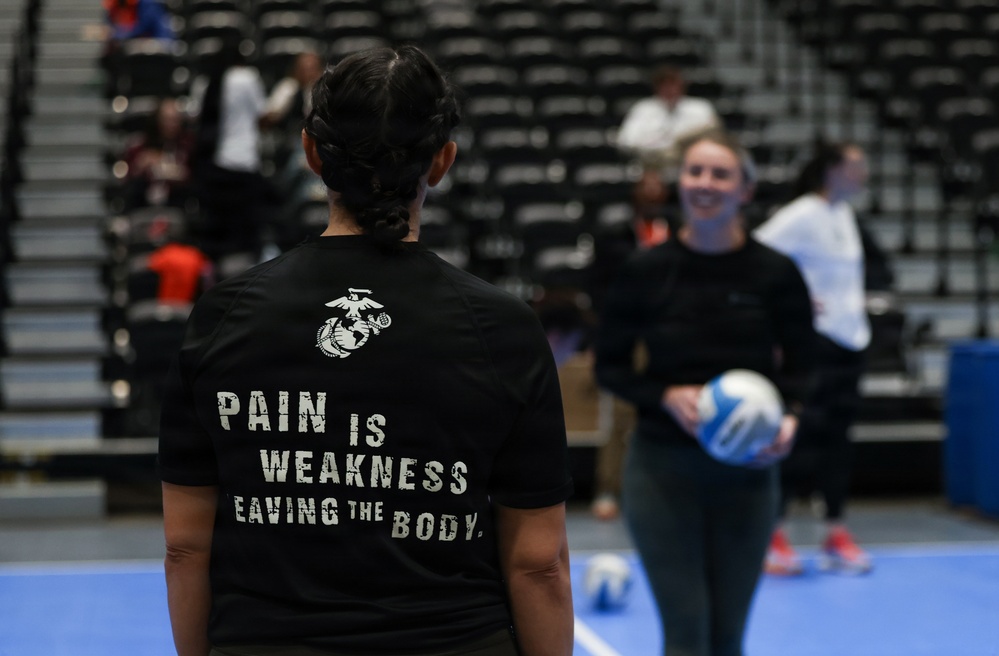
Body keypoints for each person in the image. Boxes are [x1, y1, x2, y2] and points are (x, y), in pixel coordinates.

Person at [158, 45, 575, 656]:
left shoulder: (224, 316)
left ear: (312, 153)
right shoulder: (503, 329)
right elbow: (539, 565)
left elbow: (185, 548)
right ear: (442, 161)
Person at [594, 129, 815, 656]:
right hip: (663, 472)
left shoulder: (776, 273)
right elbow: (610, 368)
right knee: (688, 633)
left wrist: (790, 417)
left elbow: (805, 367)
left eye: (720, 174)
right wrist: (665, 395)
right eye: (695, 171)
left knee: (727, 639)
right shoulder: (647, 270)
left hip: (748, 475)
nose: (705, 183)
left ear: (745, 190)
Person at [754, 141, 874, 576]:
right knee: (800, 440)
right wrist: (792, 306)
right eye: (855, 165)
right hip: (815, 344)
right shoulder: (802, 214)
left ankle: (835, 532)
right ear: (830, 170)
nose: (863, 172)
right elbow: (755, 253)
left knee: (838, 444)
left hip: (852, 343)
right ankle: (773, 534)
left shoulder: (845, 214)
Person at [188, 37, 271, 266]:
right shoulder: (247, 77)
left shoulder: (204, 82)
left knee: (218, 230)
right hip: (244, 162)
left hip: (214, 165)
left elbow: (195, 118)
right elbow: (263, 116)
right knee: (245, 232)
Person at [616, 65, 721, 223]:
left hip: (691, 164)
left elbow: (715, 137)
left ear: (682, 86)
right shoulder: (643, 109)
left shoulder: (700, 108)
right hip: (654, 165)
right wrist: (663, 148)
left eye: (674, 84)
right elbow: (625, 141)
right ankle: (650, 224)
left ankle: (697, 222)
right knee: (649, 183)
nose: (670, 89)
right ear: (657, 88)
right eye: (665, 85)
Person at [122, 97, 194, 211]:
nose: (171, 125)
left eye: (175, 120)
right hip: (143, 205)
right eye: (167, 120)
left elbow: (193, 176)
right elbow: (128, 176)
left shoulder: (188, 146)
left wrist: (179, 172)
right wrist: (141, 165)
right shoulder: (141, 146)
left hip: (177, 204)